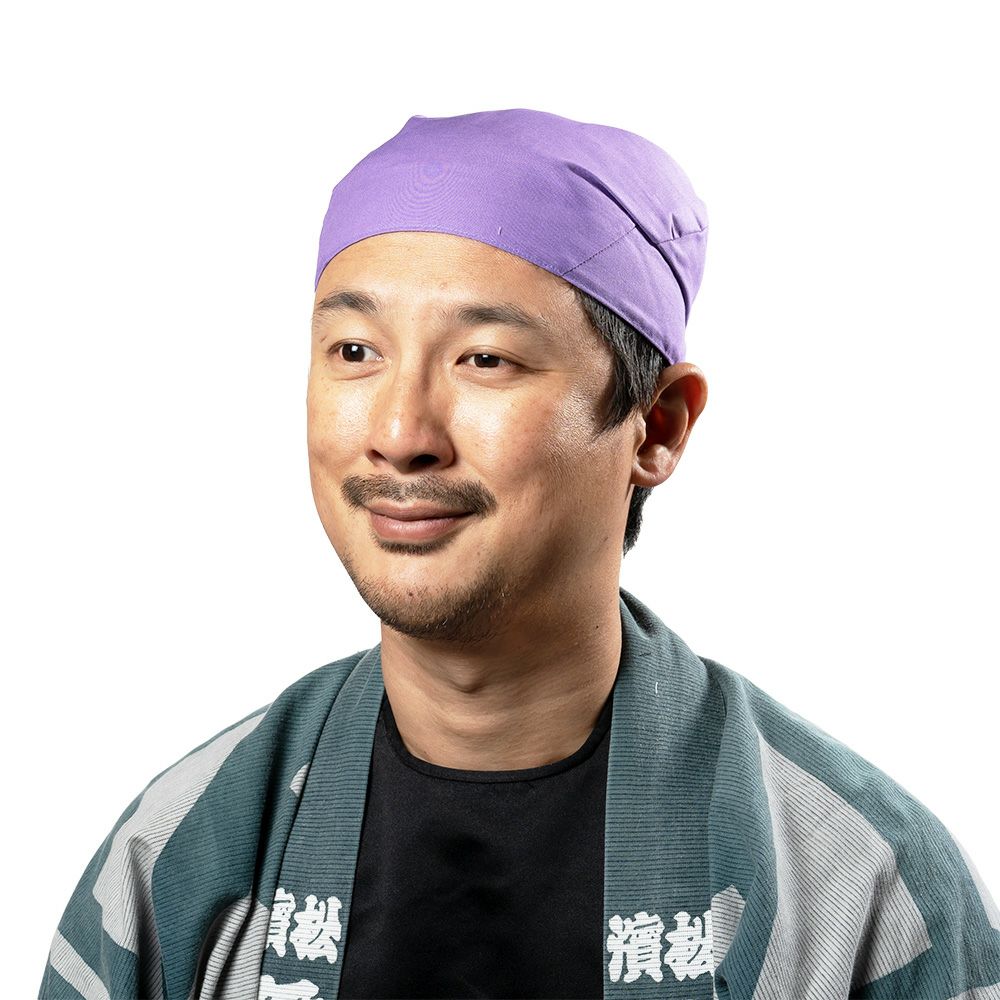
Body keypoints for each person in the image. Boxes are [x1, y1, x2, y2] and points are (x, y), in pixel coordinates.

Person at [39, 108, 999, 1000]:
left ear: (658, 425)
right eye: (355, 352)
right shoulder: (183, 851)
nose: (401, 434)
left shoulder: (861, 885)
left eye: (485, 359)